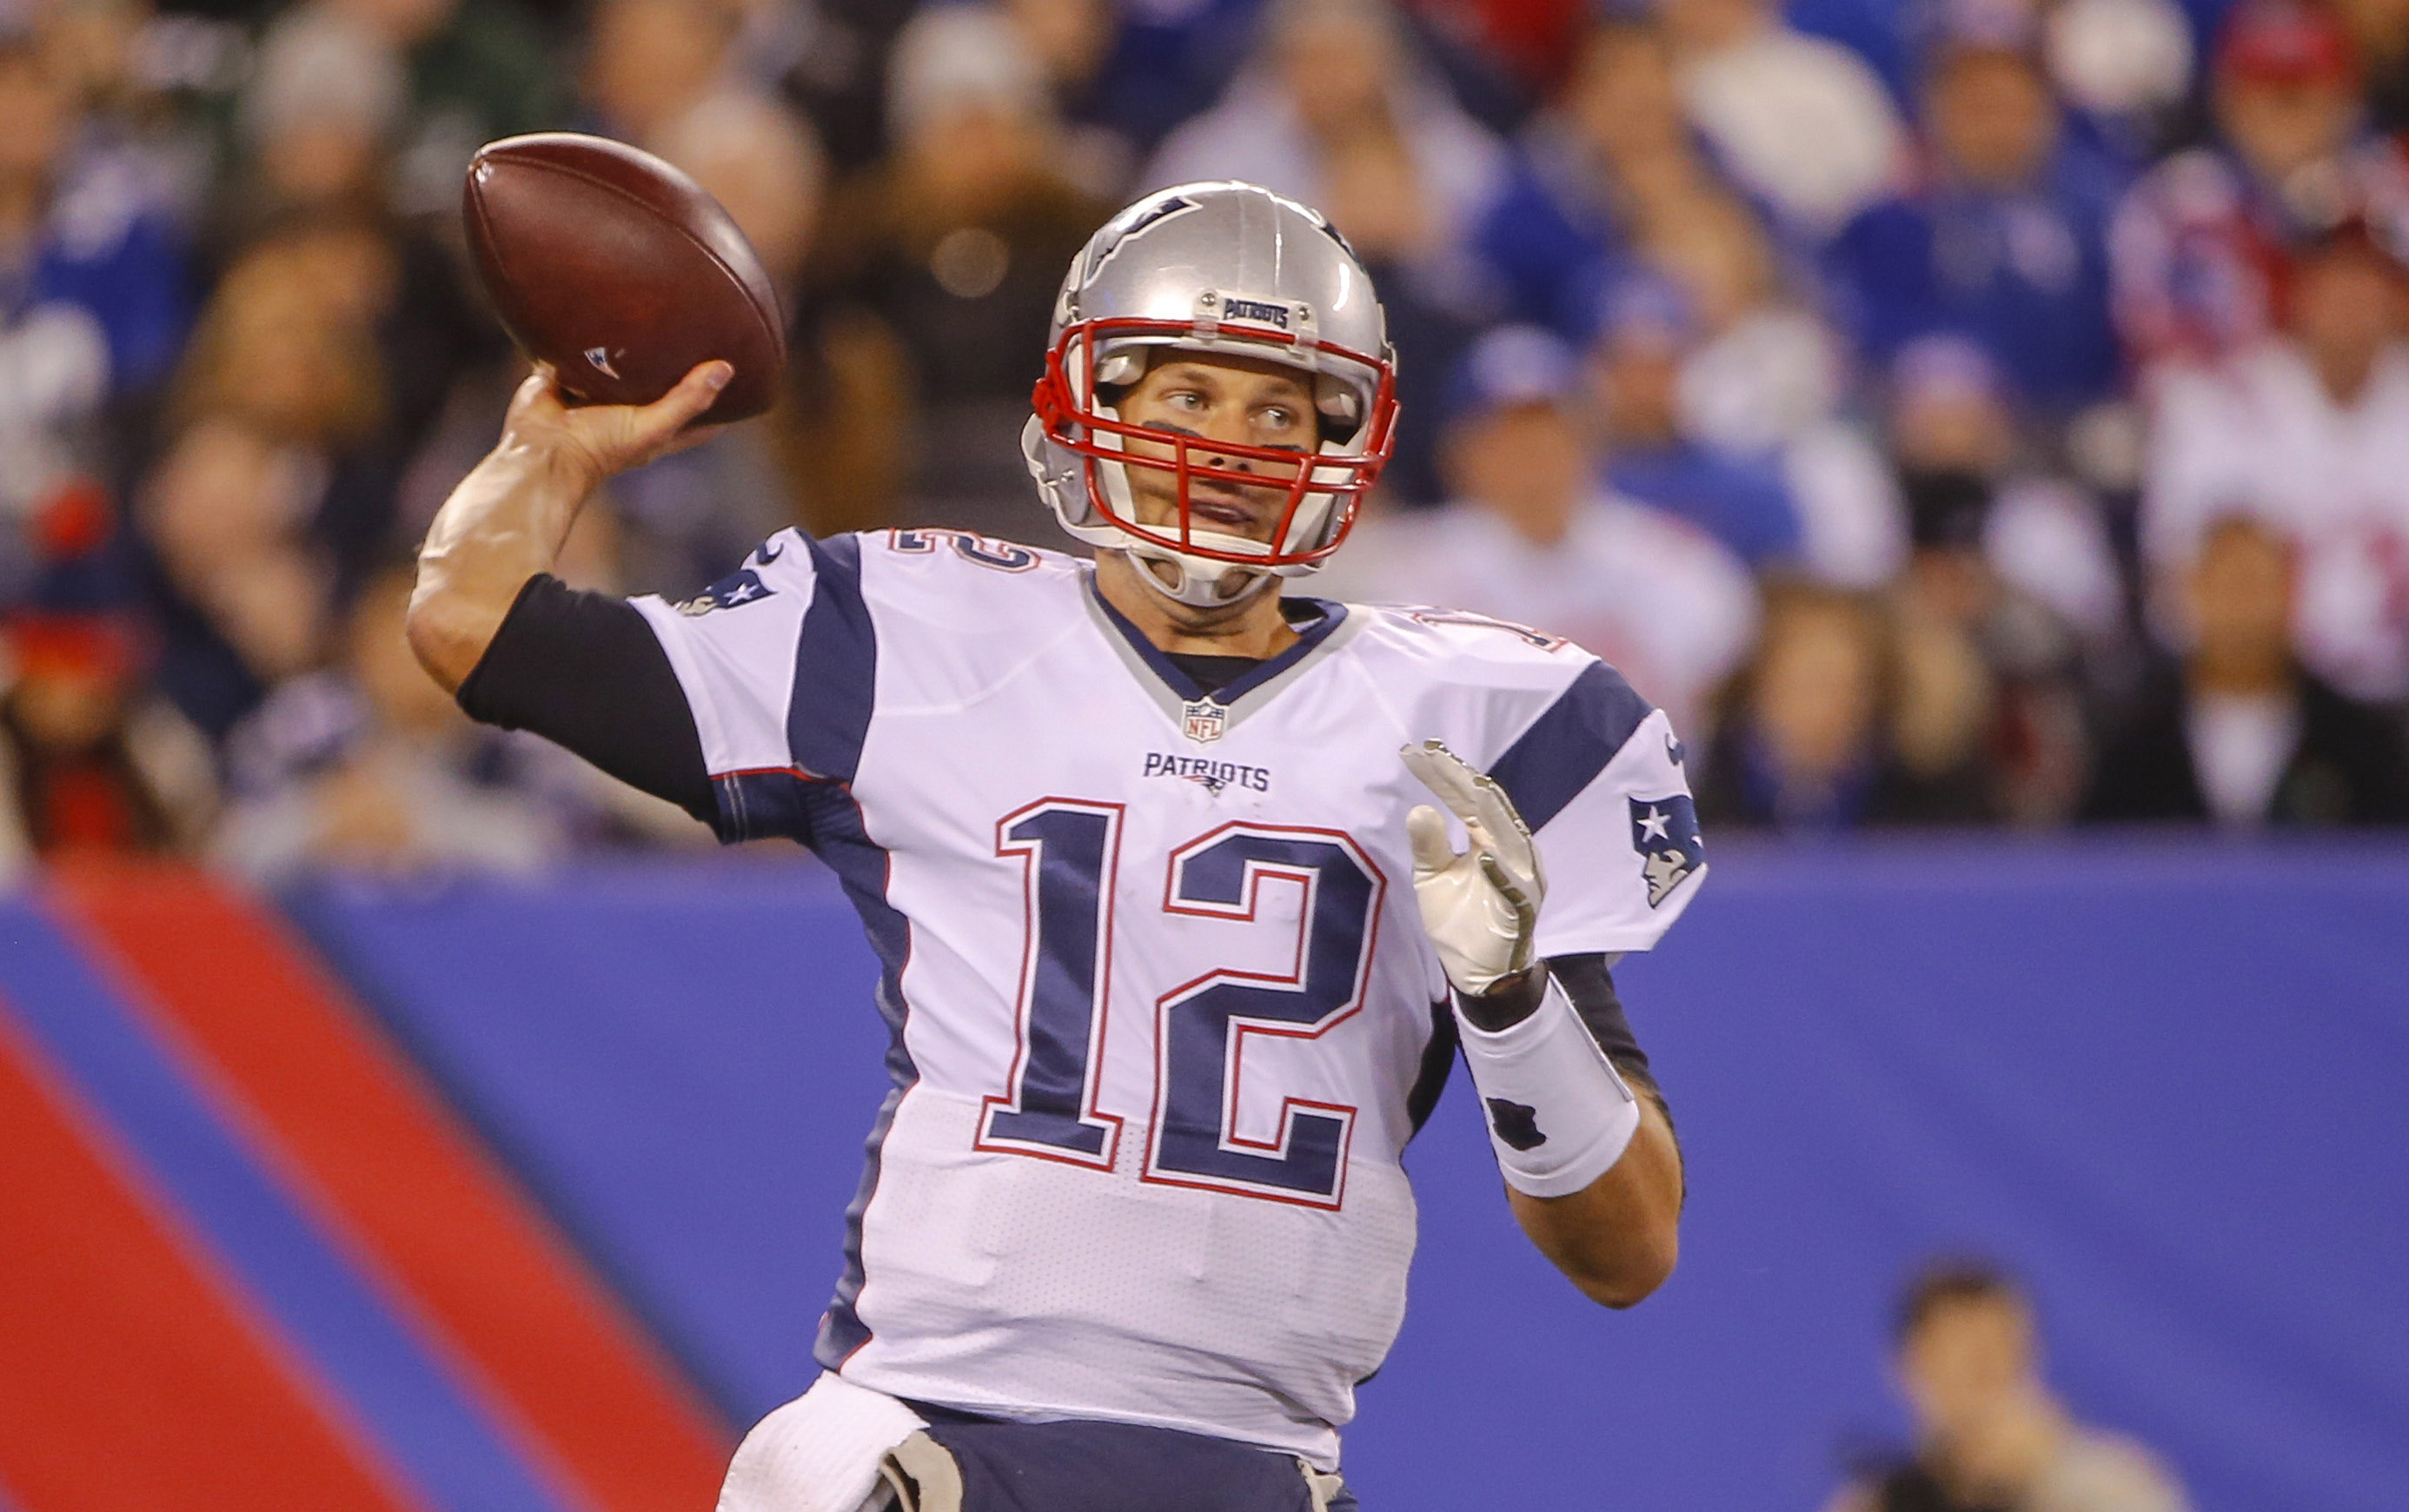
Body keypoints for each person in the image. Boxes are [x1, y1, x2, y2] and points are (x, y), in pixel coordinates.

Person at [408, 182, 1695, 1510]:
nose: (1235, 445)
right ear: (1100, 405)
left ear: (1347, 440)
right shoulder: (909, 629)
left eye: (1279, 409)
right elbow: (475, 622)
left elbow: (1630, 1250)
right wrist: (552, 454)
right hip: (935, 1424)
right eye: (1190, 395)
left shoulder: (1481, 722)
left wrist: (1509, 997)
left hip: (1257, 1464)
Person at [2084, 515, 2409, 826]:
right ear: (2192, 594)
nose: (2242, 610)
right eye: (2226, 587)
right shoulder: (2133, 746)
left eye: (2257, 586)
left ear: (2291, 593)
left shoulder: (2360, 743)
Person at [1822, 1258, 2193, 1512]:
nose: (1982, 1382)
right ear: (1907, 1367)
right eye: (1959, 1362)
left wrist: (2028, 1484)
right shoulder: (1875, 1504)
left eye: (1997, 1356)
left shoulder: (2112, 1484)